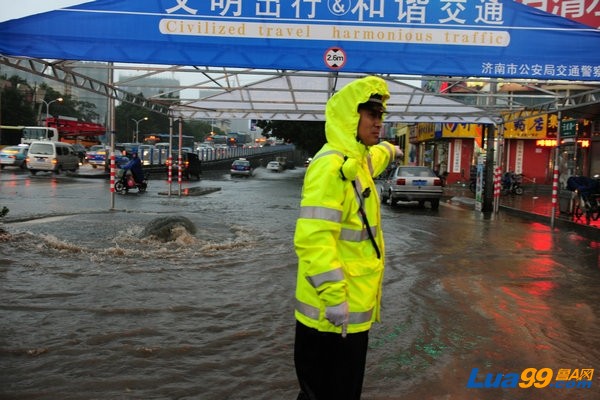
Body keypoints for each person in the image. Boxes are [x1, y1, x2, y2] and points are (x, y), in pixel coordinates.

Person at [293, 76, 401, 400]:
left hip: (350, 313)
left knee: (344, 391)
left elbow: (376, 156)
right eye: (372, 115)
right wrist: (334, 296)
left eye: (381, 116)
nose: (378, 123)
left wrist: (390, 150)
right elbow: (314, 237)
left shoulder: (360, 160)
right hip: (330, 314)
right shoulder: (330, 167)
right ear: (352, 118)